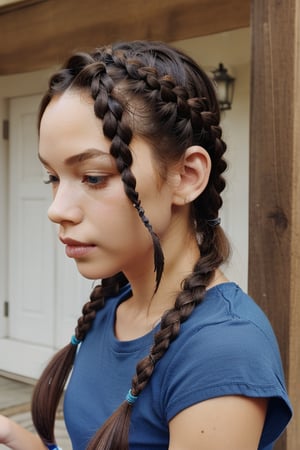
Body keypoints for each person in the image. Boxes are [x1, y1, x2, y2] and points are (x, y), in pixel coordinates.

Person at [0, 40, 292, 450]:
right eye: (53, 177)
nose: (56, 209)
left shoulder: (223, 350)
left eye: (94, 176)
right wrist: (10, 434)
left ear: (187, 176)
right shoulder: (113, 307)